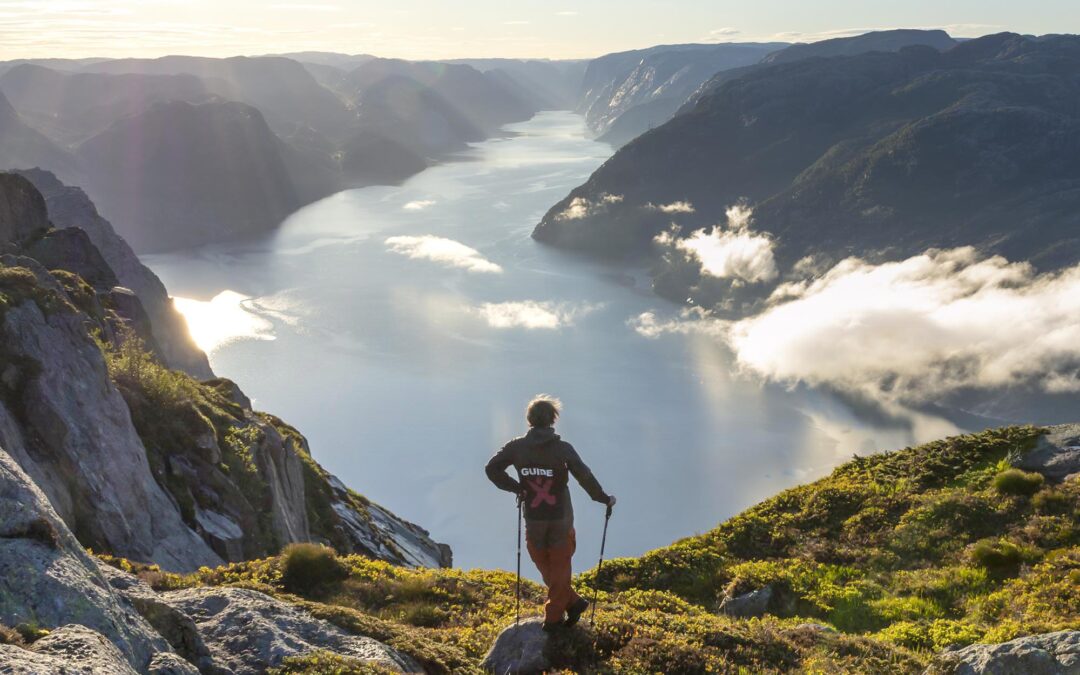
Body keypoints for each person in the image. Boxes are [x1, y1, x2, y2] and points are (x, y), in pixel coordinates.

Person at [485, 395, 615, 631]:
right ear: (552, 420)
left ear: (529, 420)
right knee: (559, 563)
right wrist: (603, 498)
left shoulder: (516, 447)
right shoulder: (562, 449)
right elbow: (584, 475)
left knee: (545, 560)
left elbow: (492, 468)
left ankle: (553, 619)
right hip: (561, 517)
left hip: (534, 517)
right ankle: (573, 602)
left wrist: (518, 488)